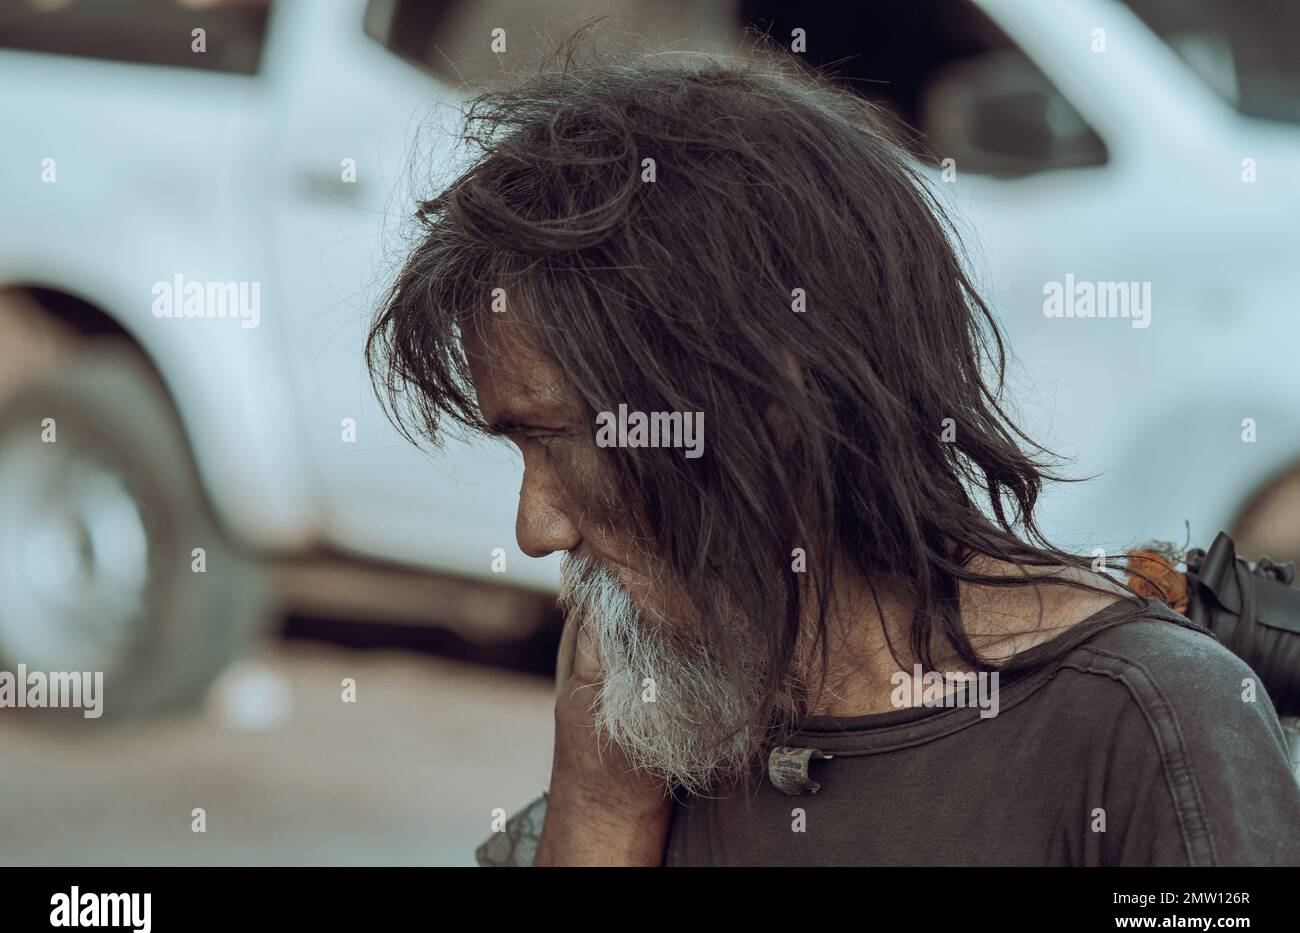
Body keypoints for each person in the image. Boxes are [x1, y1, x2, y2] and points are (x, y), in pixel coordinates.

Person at [367, 43, 1300, 865]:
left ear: (774, 397)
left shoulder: (1143, 720)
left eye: (558, 442)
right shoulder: (652, 707)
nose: (535, 529)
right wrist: (602, 806)